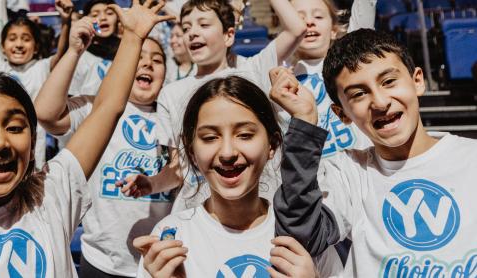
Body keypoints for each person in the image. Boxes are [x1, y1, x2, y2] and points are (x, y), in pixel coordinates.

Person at [0, 1, 173, 276]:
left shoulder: (52, 198)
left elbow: (107, 108)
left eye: (15, 127)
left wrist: (134, 37)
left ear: (32, 144)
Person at [271, 29, 477, 277]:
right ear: (342, 114)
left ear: (417, 81)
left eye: (389, 81)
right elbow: (300, 238)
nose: (380, 102)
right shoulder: (348, 172)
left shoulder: (471, 158)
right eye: (359, 94)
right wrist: (304, 121)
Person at [133, 76, 338, 277]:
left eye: (245, 135)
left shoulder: (304, 235)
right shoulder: (171, 236)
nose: (227, 152)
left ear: (272, 145)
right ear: (191, 151)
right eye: (210, 137)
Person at [119, 0, 307, 212]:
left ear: (228, 35)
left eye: (204, 25)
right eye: (186, 27)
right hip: (198, 213)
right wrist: (153, 183)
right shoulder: (171, 94)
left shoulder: (253, 70)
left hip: (260, 207)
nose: (192, 33)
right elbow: (179, 168)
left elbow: (297, 29)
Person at [36, 33, 172, 277]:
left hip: (159, 262)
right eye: (138, 57)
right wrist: (74, 51)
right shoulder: (96, 108)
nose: (148, 63)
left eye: (157, 60)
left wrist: (152, 183)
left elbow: (182, 171)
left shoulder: (175, 113)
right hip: (101, 261)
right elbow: (46, 113)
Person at [0, 0, 74, 168]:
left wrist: (66, 21)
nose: (19, 45)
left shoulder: (42, 68)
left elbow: (63, 54)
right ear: (2, 47)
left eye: (26, 39)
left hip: (33, 154)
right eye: (12, 38)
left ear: (36, 47)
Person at [283, 0, 376, 157]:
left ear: (334, 29)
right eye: (298, 19)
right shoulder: (278, 75)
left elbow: (366, 4)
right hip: (309, 173)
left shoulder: (351, 58)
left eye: (318, 16)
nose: (309, 22)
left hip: (356, 167)